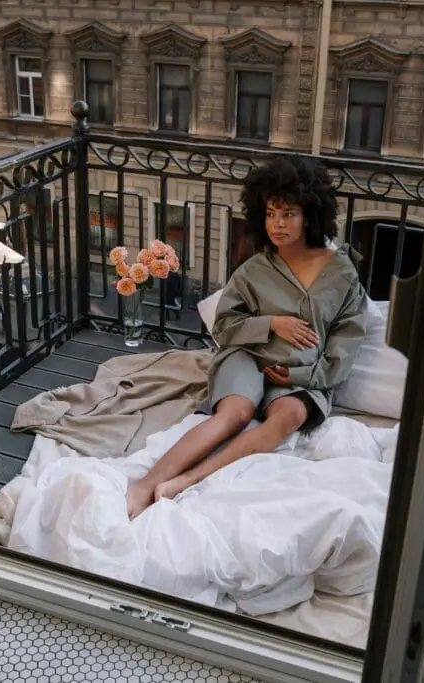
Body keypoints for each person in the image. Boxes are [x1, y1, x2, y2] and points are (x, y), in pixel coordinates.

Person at [126, 155, 368, 520]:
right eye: (270, 213)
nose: (277, 224)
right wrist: (271, 324)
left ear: (310, 215)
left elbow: (345, 346)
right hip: (248, 356)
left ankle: (188, 480)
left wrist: (300, 376)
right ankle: (146, 484)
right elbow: (224, 327)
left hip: (302, 373)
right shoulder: (254, 269)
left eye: (288, 214)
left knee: (289, 416)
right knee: (236, 414)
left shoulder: (342, 273)